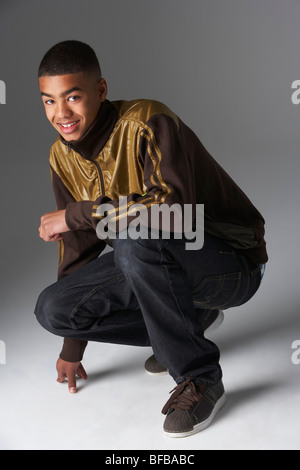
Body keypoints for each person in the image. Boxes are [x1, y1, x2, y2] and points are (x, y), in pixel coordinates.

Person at [35, 40, 268, 438]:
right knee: (54, 310)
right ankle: (190, 321)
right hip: (151, 260)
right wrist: (72, 347)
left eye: (72, 97)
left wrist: (78, 214)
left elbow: (177, 212)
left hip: (231, 262)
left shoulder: (147, 120)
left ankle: (200, 377)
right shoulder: (62, 156)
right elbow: (79, 248)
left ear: (101, 90)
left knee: (134, 237)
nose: (61, 114)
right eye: (49, 101)